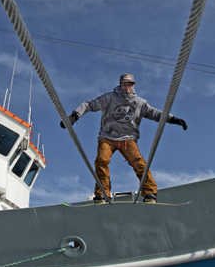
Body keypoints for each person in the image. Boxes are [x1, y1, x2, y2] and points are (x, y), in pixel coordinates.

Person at [61, 73, 187, 203]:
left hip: (127, 139)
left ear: (133, 85)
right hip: (107, 137)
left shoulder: (139, 103)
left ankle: (150, 192)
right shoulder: (110, 98)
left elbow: (155, 114)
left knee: (139, 163)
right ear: (120, 84)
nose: (126, 87)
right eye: (124, 84)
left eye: (129, 84)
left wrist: (173, 119)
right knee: (101, 161)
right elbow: (89, 105)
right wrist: (74, 116)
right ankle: (103, 193)